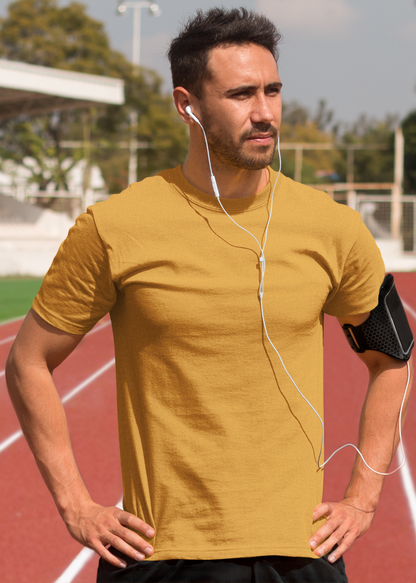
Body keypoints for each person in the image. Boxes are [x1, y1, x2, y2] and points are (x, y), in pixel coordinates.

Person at [6, 7, 413, 583]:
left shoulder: (333, 227)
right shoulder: (115, 226)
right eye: (242, 94)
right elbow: (27, 363)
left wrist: (364, 497)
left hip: (296, 554)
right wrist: (76, 504)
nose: (265, 112)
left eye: (273, 90)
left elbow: (392, 355)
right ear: (187, 104)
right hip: (160, 556)